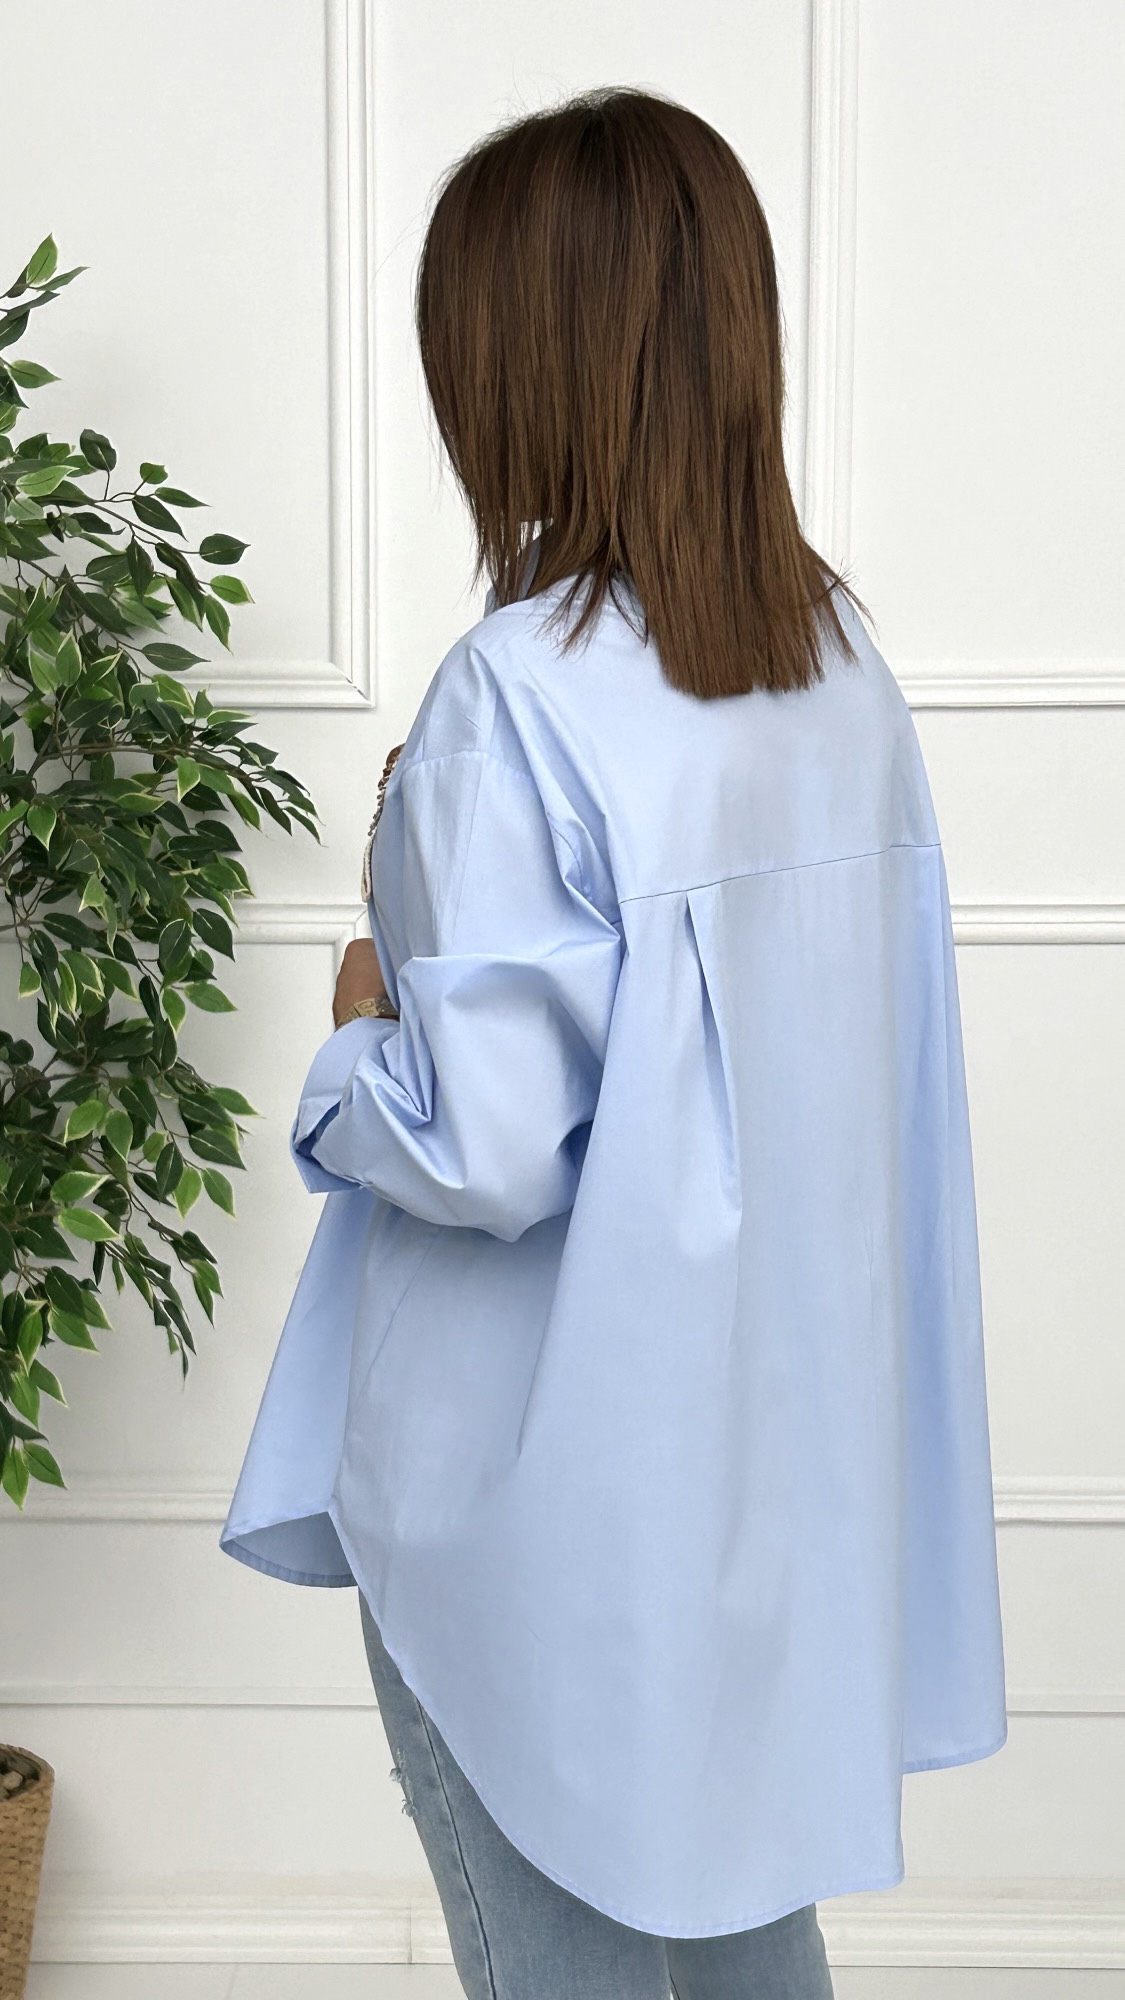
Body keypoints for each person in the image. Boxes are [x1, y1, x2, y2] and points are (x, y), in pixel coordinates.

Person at [222, 87, 1007, 2000]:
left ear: (519, 363)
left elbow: (482, 1146)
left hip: (541, 1505)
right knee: (746, 1945)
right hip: (763, 1491)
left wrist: (354, 1033)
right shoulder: (839, 672)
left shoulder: (515, 692)